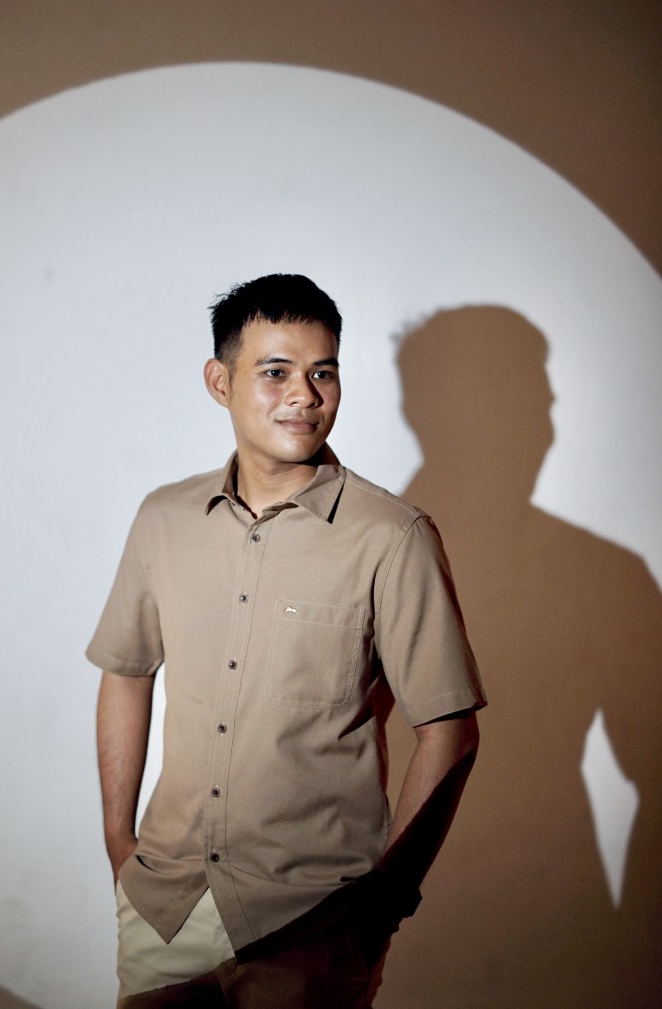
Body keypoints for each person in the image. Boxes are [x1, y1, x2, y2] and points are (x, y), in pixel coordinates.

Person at [86, 273, 486, 1008]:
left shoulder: (392, 536)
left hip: (313, 922)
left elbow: (449, 729)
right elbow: (126, 669)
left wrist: (382, 903)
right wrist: (119, 841)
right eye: (275, 371)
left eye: (323, 372)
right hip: (166, 909)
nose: (304, 394)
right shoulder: (164, 519)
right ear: (220, 381)